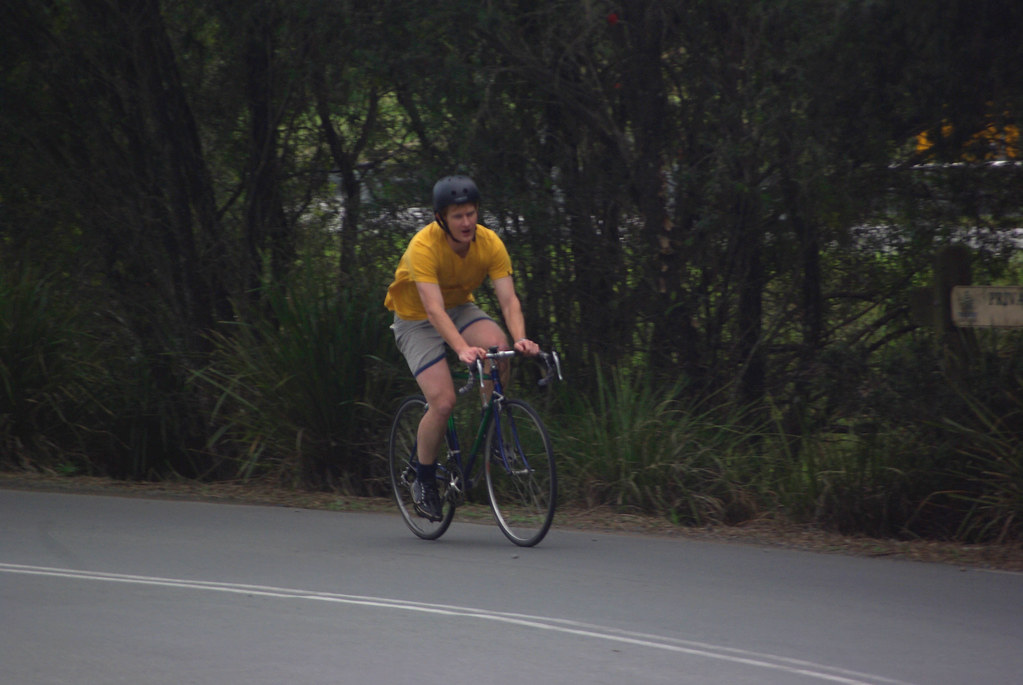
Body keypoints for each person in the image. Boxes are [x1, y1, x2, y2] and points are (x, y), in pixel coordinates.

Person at [385, 175, 540, 521]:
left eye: (471, 213)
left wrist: (520, 339)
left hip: (459, 308)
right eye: (458, 216)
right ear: (441, 218)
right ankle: (423, 479)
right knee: (443, 401)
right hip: (416, 318)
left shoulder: (490, 243)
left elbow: (509, 299)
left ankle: (494, 433)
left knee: (499, 350)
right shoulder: (423, 247)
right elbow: (433, 310)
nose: (467, 222)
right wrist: (460, 348)